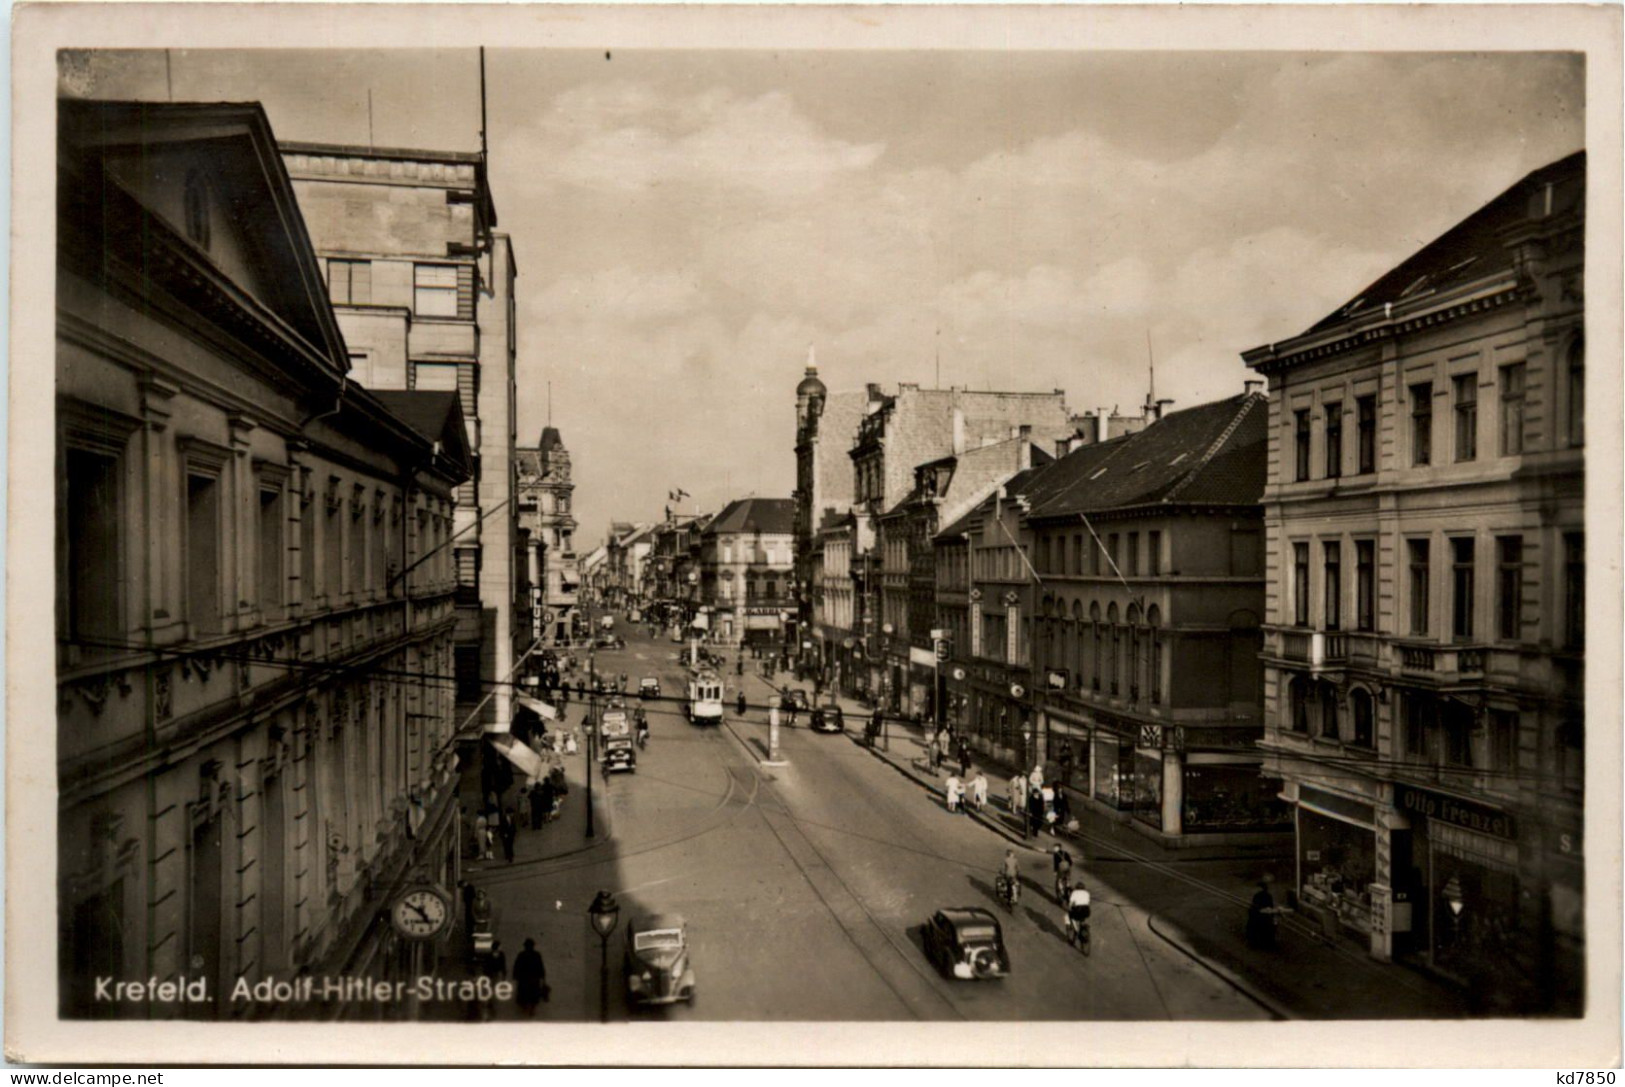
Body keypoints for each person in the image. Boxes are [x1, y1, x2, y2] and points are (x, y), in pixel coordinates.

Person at [512, 937, 548, 1017]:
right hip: (534, 979)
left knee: (523, 994)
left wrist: (515, 976)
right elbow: (540, 966)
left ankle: (524, 1008)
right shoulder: (537, 955)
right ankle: (532, 1009)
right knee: (533, 995)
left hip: (523, 979)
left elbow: (517, 966)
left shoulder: (521, 955)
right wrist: (543, 977)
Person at [1247, 878, 1280, 949]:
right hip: (1266, 915)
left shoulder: (1257, 896)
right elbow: (1270, 906)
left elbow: (1254, 906)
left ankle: (1254, 940)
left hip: (1258, 915)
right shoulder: (1268, 895)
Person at [480, 939, 508, 1021]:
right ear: (497, 947)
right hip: (490, 974)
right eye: (500, 946)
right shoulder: (491, 955)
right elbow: (486, 966)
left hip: (495, 974)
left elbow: (503, 965)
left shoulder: (500, 954)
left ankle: (490, 1002)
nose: (501, 947)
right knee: (490, 987)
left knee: (493, 987)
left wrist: (504, 975)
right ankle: (489, 1002)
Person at [1065, 880, 1092, 946]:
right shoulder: (1087, 893)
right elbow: (1088, 902)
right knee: (1082, 918)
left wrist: (1069, 908)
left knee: (1068, 916)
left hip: (1078, 911)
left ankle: (1076, 930)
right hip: (1087, 911)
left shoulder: (1074, 893)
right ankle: (1083, 928)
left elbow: (1070, 904)